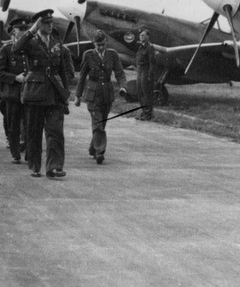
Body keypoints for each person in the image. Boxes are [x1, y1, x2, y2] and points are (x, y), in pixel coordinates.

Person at [13, 9, 72, 178]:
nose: (49, 26)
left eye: (51, 23)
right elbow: (16, 49)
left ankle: (54, 167)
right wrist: (31, 31)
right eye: (45, 23)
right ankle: (35, 166)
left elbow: (61, 70)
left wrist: (65, 94)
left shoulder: (56, 43)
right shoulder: (30, 41)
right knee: (33, 131)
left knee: (55, 131)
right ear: (38, 25)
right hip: (35, 92)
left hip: (54, 92)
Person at [75, 30, 127, 164]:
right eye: (98, 45)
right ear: (94, 44)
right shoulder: (88, 55)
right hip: (92, 93)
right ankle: (99, 152)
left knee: (102, 123)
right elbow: (82, 77)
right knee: (97, 123)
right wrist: (77, 95)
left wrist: (123, 86)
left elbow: (120, 73)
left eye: (103, 44)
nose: (101, 47)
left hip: (107, 93)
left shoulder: (113, 55)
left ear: (106, 43)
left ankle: (93, 148)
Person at [0, 17, 30, 164]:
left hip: (29, 93)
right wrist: (15, 78)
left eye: (24, 29)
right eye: (19, 29)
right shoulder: (6, 49)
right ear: (13, 31)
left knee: (29, 124)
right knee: (13, 125)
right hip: (13, 93)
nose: (22, 32)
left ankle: (29, 151)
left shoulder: (31, 48)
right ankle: (15, 153)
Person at [135, 29, 156, 120]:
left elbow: (152, 62)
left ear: (148, 37)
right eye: (140, 35)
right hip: (140, 71)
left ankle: (148, 114)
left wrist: (150, 75)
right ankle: (143, 112)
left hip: (145, 71)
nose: (141, 37)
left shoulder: (150, 48)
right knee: (140, 93)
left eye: (143, 35)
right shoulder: (141, 47)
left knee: (146, 93)